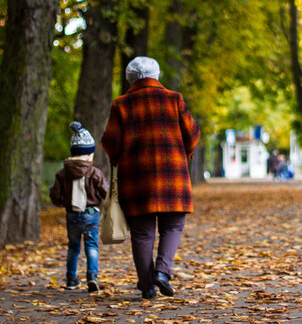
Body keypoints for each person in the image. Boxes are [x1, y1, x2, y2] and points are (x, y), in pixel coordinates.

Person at [101, 56, 200, 300]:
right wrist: (183, 155)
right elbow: (193, 134)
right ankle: (163, 273)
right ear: (156, 76)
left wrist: (119, 157)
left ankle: (147, 286)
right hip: (172, 176)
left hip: (136, 179)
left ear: (130, 79)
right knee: (173, 225)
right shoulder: (173, 99)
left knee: (142, 233)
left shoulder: (121, 104)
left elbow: (110, 143)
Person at [49, 121, 109, 293]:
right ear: (89, 153)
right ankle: (92, 276)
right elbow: (106, 192)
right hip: (91, 214)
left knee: (73, 246)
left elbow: (55, 195)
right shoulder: (95, 173)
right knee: (91, 245)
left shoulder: (62, 173)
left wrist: (62, 203)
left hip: (72, 214)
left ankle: (71, 279)